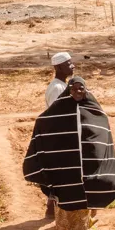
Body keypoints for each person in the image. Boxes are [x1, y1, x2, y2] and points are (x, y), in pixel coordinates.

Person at [23, 77, 115, 230]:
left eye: (81, 89)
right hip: (67, 171)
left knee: (93, 206)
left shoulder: (95, 112)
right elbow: (43, 123)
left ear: (86, 90)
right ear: (68, 90)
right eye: (74, 89)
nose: (78, 92)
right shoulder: (56, 113)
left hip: (90, 170)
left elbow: (104, 136)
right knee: (66, 209)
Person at [42, 52, 74, 216]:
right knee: (61, 174)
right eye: (68, 64)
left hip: (61, 137)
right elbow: (58, 115)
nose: (72, 66)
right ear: (58, 67)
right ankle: (55, 209)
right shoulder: (56, 88)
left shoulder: (61, 86)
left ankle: (52, 209)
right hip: (59, 137)